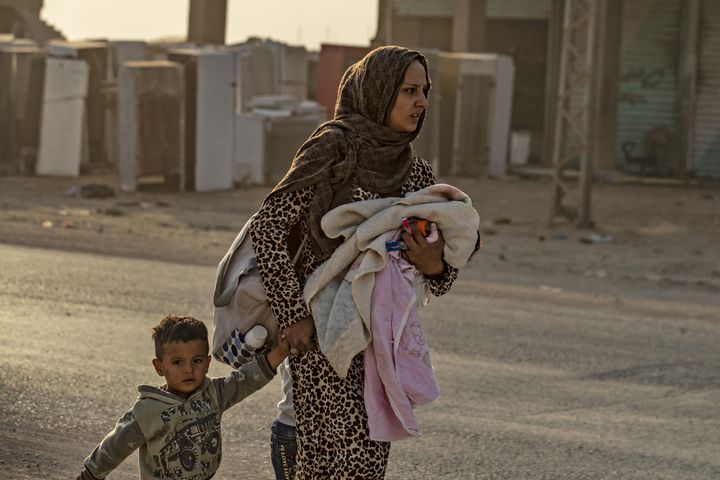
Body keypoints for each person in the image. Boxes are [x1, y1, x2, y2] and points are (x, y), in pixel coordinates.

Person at [249, 45, 459, 479]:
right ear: (378, 92)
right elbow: (267, 229)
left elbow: (437, 271)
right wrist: (293, 316)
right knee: (323, 463)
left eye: (425, 91)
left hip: (380, 343)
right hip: (322, 336)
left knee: (366, 464)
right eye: (408, 90)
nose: (421, 101)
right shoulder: (333, 148)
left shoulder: (415, 173)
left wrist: (436, 264)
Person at [76, 315, 289, 480]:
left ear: (207, 363)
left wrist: (279, 352)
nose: (188, 369)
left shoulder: (214, 393)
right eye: (177, 362)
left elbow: (245, 380)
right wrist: (90, 475)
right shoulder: (149, 410)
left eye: (196, 361)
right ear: (160, 367)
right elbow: (117, 444)